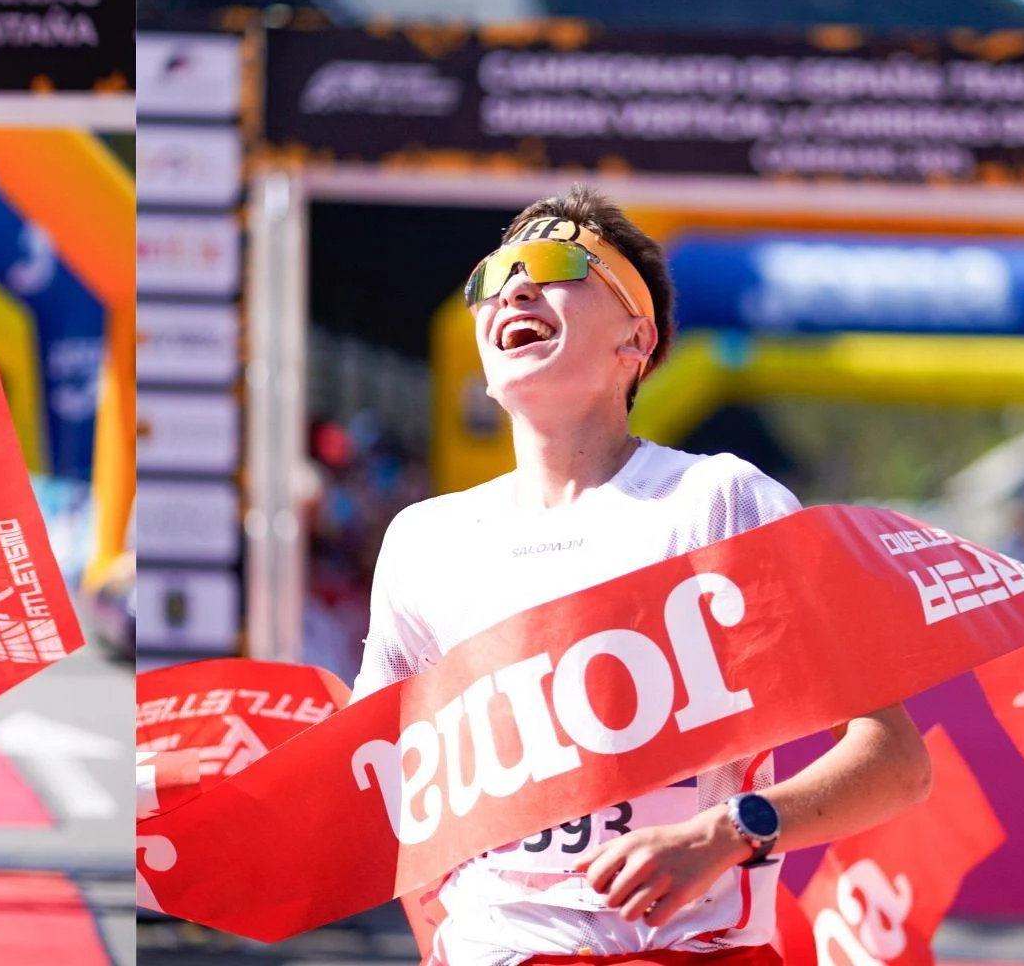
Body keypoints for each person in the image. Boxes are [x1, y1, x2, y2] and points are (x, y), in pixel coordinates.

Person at [356, 186, 933, 966]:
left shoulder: (720, 503)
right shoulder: (423, 541)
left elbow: (895, 761)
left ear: (637, 337)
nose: (514, 289)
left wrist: (726, 833)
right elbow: (373, 785)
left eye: (555, 266)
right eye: (492, 276)